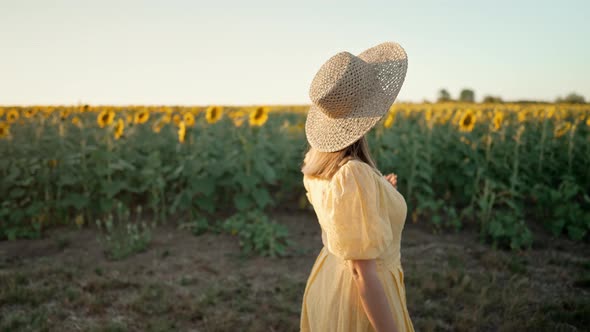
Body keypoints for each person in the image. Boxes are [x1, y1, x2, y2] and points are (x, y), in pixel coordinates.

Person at [299, 41, 414, 332]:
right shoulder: (354, 176)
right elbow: (362, 273)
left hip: (328, 284)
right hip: (361, 299)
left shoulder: (318, 165)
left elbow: (343, 218)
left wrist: (378, 191)